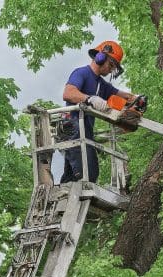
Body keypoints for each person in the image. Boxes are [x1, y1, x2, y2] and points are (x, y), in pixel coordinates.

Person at [60, 40, 136, 183]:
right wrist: (90, 99)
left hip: (85, 131)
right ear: (100, 57)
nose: (110, 70)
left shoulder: (102, 85)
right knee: (88, 173)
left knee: (72, 176)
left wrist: (136, 99)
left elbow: (122, 95)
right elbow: (68, 93)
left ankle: (64, 194)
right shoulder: (81, 73)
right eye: (111, 65)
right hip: (73, 126)